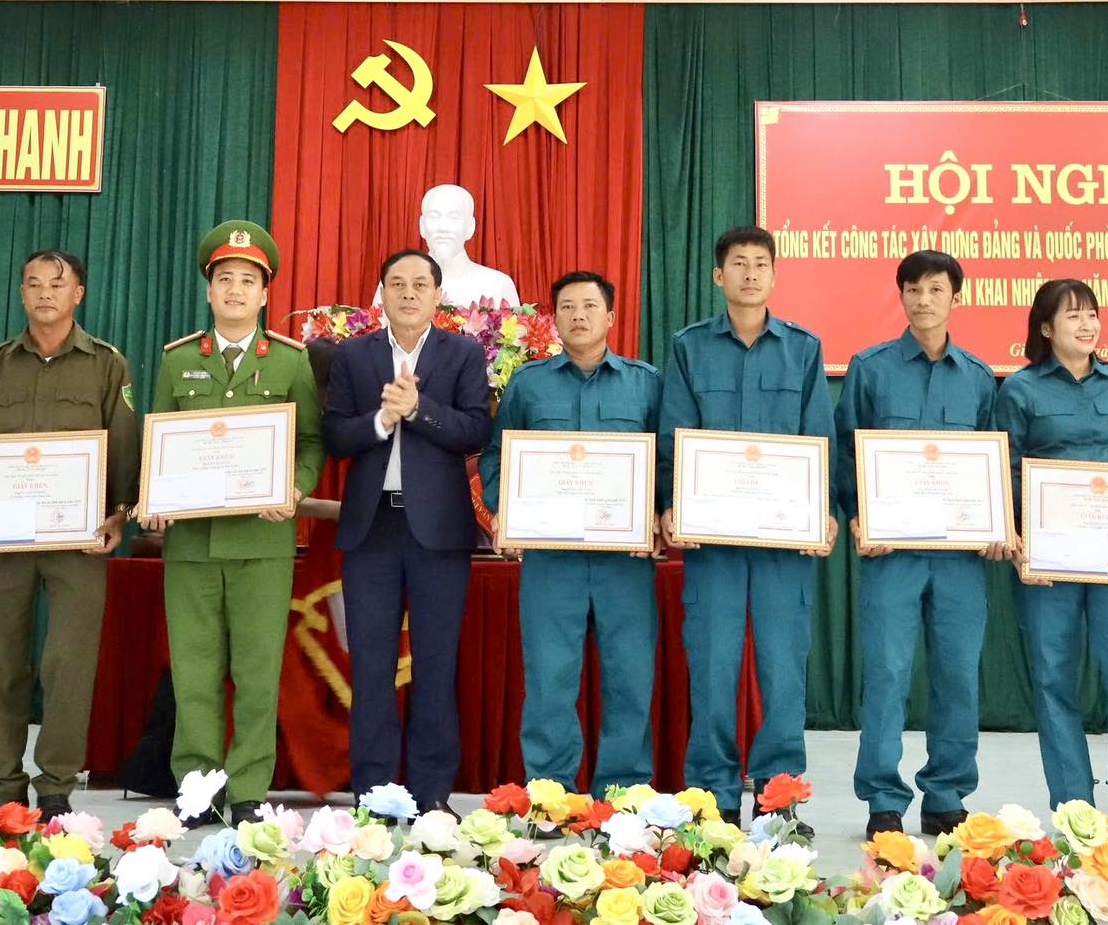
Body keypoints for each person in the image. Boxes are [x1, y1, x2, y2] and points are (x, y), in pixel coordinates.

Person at [0, 249, 140, 829]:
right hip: (1, 540)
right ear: (22, 293)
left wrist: (119, 514)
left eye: (57, 284)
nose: (44, 294)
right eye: (33, 284)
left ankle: (55, 786)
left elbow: (124, 444)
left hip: (79, 539)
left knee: (67, 664)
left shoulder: (106, 363)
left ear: (78, 293)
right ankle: (0, 787)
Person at [140, 221, 324, 825]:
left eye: (248, 280)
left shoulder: (292, 362)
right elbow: (158, 441)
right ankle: (197, 787)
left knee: (256, 672)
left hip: (261, 542)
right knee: (194, 672)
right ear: (209, 290)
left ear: (265, 293)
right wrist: (153, 495)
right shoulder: (177, 360)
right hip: (192, 543)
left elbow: (311, 443)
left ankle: (247, 787)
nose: (236, 289)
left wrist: (295, 487)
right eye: (225, 279)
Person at [657, 225, 836, 825]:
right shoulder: (689, 348)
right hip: (713, 540)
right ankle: (712, 797)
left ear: (775, 275)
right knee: (713, 666)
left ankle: (779, 798)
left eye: (761, 263)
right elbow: (674, 436)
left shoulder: (803, 349)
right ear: (719, 275)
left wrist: (822, 513)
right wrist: (672, 504)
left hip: (785, 541)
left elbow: (819, 438)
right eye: (738, 263)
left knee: (784, 670)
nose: (750, 273)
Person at [833, 250, 1005, 840]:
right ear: (901, 296)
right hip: (892, 555)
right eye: (913, 289)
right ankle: (883, 798)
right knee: (886, 673)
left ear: (957, 296)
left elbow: (994, 462)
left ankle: (946, 794)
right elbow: (846, 452)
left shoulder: (979, 377)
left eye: (936, 289)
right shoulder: (870, 369)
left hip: (960, 560)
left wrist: (995, 524)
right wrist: (859, 515)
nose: (924, 300)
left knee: (957, 674)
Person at [994, 278, 1108, 839]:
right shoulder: (1019, 389)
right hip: (1048, 558)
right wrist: (1017, 533)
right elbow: (1005, 471)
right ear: (1046, 328)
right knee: (1054, 679)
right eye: (1072, 316)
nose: (1086, 324)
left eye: (1092, 313)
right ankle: (1075, 810)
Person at [325, 248, 493, 813]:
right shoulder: (354, 356)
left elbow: (475, 430)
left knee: (436, 666)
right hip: (371, 530)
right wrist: (381, 420)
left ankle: (432, 795)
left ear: (438, 295)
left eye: (421, 283)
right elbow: (335, 435)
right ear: (382, 294)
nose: (409, 293)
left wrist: (419, 410)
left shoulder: (464, 353)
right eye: (397, 283)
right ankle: (373, 795)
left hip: (439, 533)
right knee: (371, 668)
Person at [479, 271, 659, 794]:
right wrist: (505, 511)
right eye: (567, 307)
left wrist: (658, 512)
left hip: (624, 562)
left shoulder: (646, 383)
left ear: (611, 316)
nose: (578, 315)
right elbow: (497, 456)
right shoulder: (528, 383)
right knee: (549, 679)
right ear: (553, 318)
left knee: (629, 678)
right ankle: (550, 791)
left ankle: (623, 794)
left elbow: (666, 459)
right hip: (550, 559)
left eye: (589, 305)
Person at [372, 184, 520, 308]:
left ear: (470, 227)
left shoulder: (497, 285)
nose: (443, 227)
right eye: (434, 216)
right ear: (422, 226)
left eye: (454, 218)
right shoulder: (394, 282)